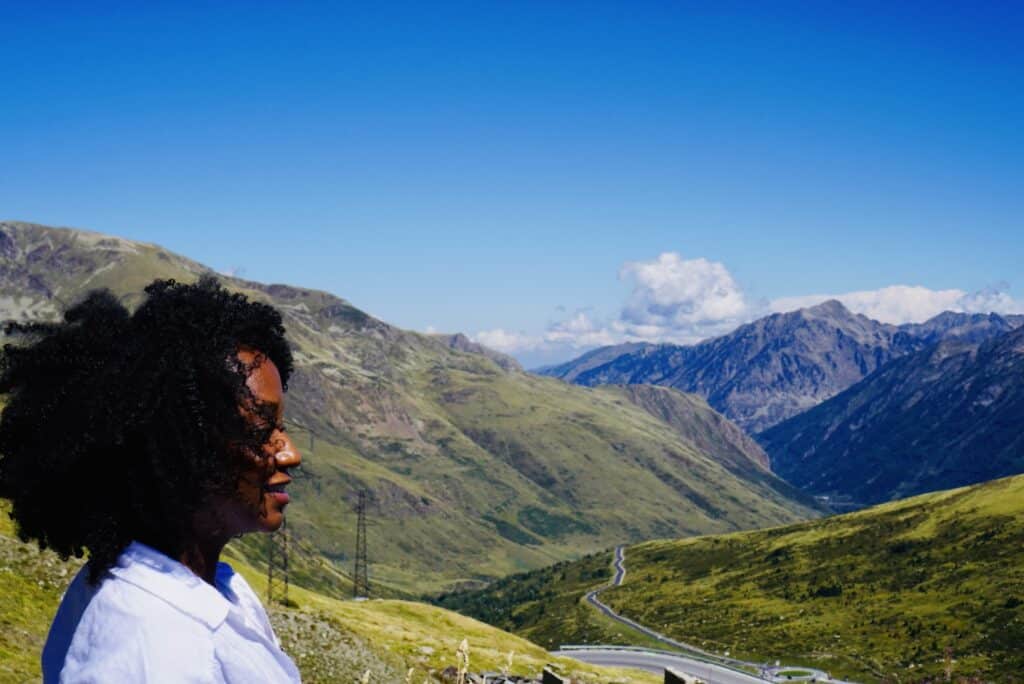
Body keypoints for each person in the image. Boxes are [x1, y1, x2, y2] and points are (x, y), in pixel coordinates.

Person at [0, 277, 304, 682]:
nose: (290, 453)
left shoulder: (209, 589)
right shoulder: (155, 651)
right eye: (260, 429)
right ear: (184, 449)